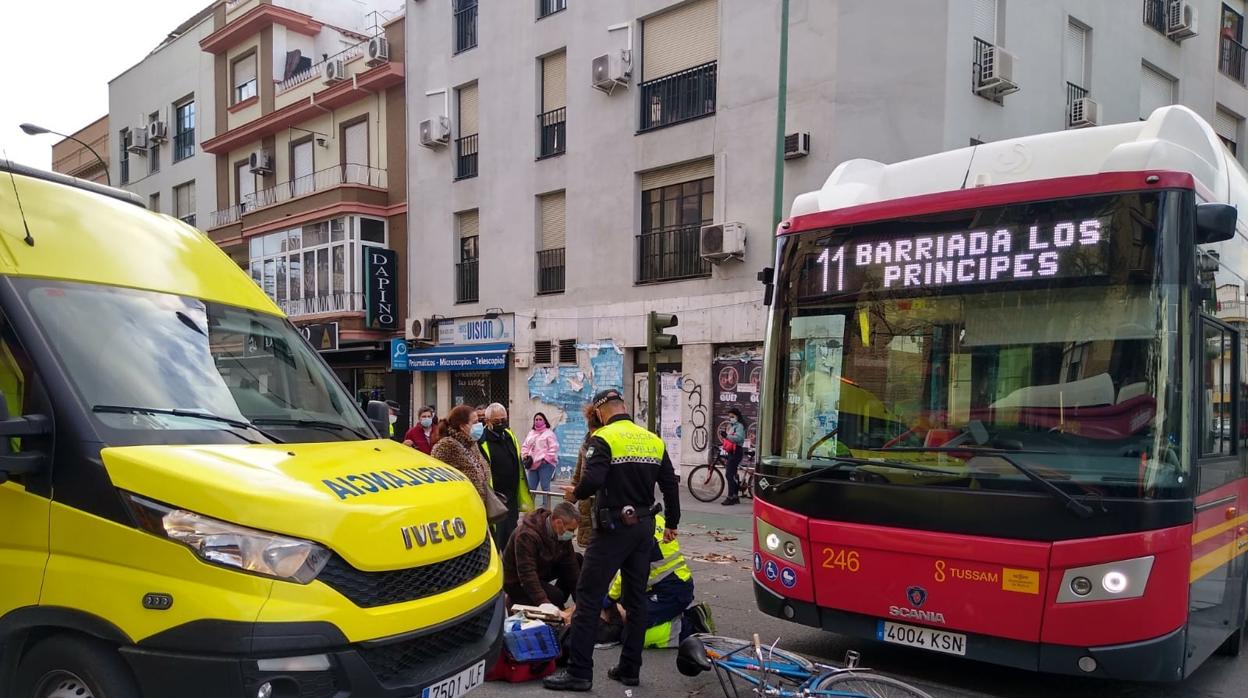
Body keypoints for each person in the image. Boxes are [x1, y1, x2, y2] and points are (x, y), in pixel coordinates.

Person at [544, 389, 680, 692]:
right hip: (644, 527)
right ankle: (629, 669)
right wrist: (672, 524)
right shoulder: (652, 440)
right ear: (626, 407)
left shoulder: (604, 437)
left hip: (612, 528)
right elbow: (671, 485)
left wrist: (575, 493)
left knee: (589, 596)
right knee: (635, 599)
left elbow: (592, 480)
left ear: (601, 411)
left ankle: (579, 672)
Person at [597, 512, 695, 649]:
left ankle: (688, 626)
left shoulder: (636, 530)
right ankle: (669, 615)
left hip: (672, 591)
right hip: (671, 585)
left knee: (631, 635)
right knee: (631, 613)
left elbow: (626, 572)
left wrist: (610, 598)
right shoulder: (654, 517)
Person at [502, 502, 582, 612]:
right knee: (555, 596)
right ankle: (520, 600)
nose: (572, 534)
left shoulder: (561, 533)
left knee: (578, 560)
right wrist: (543, 602)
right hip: (516, 580)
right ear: (558, 522)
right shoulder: (526, 535)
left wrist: (581, 601)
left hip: (541, 567)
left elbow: (571, 565)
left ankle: (556, 601)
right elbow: (527, 574)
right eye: (571, 530)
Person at [480, 403, 534, 546]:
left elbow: (516, 459)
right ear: (487, 422)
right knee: (497, 537)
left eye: (503, 420)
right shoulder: (481, 441)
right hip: (495, 498)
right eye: (496, 421)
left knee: (511, 537)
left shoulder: (509, 435)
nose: (501, 424)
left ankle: (510, 565)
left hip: (511, 497)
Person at [430, 405, 491, 504]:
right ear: (462, 426)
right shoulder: (446, 446)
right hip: (460, 504)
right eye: (475, 422)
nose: (479, 425)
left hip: (478, 503)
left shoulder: (471, 443)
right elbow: (438, 479)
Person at [569, 405, 603, 549]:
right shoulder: (585, 446)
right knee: (588, 548)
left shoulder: (606, 445)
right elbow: (578, 475)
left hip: (602, 503)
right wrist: (569, 499)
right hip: (585, 505)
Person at [521, 412, 560, 493]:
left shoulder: (549, 433)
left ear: (544, 421)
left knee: (545, 487)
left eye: (540, 419)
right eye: (536, 419)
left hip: (545, 464)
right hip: (532, 464)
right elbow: (525, 446)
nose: (538, 421)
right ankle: (530, 505)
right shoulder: (531, 433)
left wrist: (546, 459)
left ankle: (545, 505)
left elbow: (554, 448)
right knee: (531, 488)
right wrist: (525, 455)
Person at [721, 408, 747, 505]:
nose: (730, 418)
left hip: (737, 451)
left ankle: (730, 497)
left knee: (729, 475)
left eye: (732, 416)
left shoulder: (739, 426)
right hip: (732, 451)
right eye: (729, 417)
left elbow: (738, 438)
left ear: (737, 416)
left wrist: (727, 436)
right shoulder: (733, 426)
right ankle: (735, 497)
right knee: (734, 474)